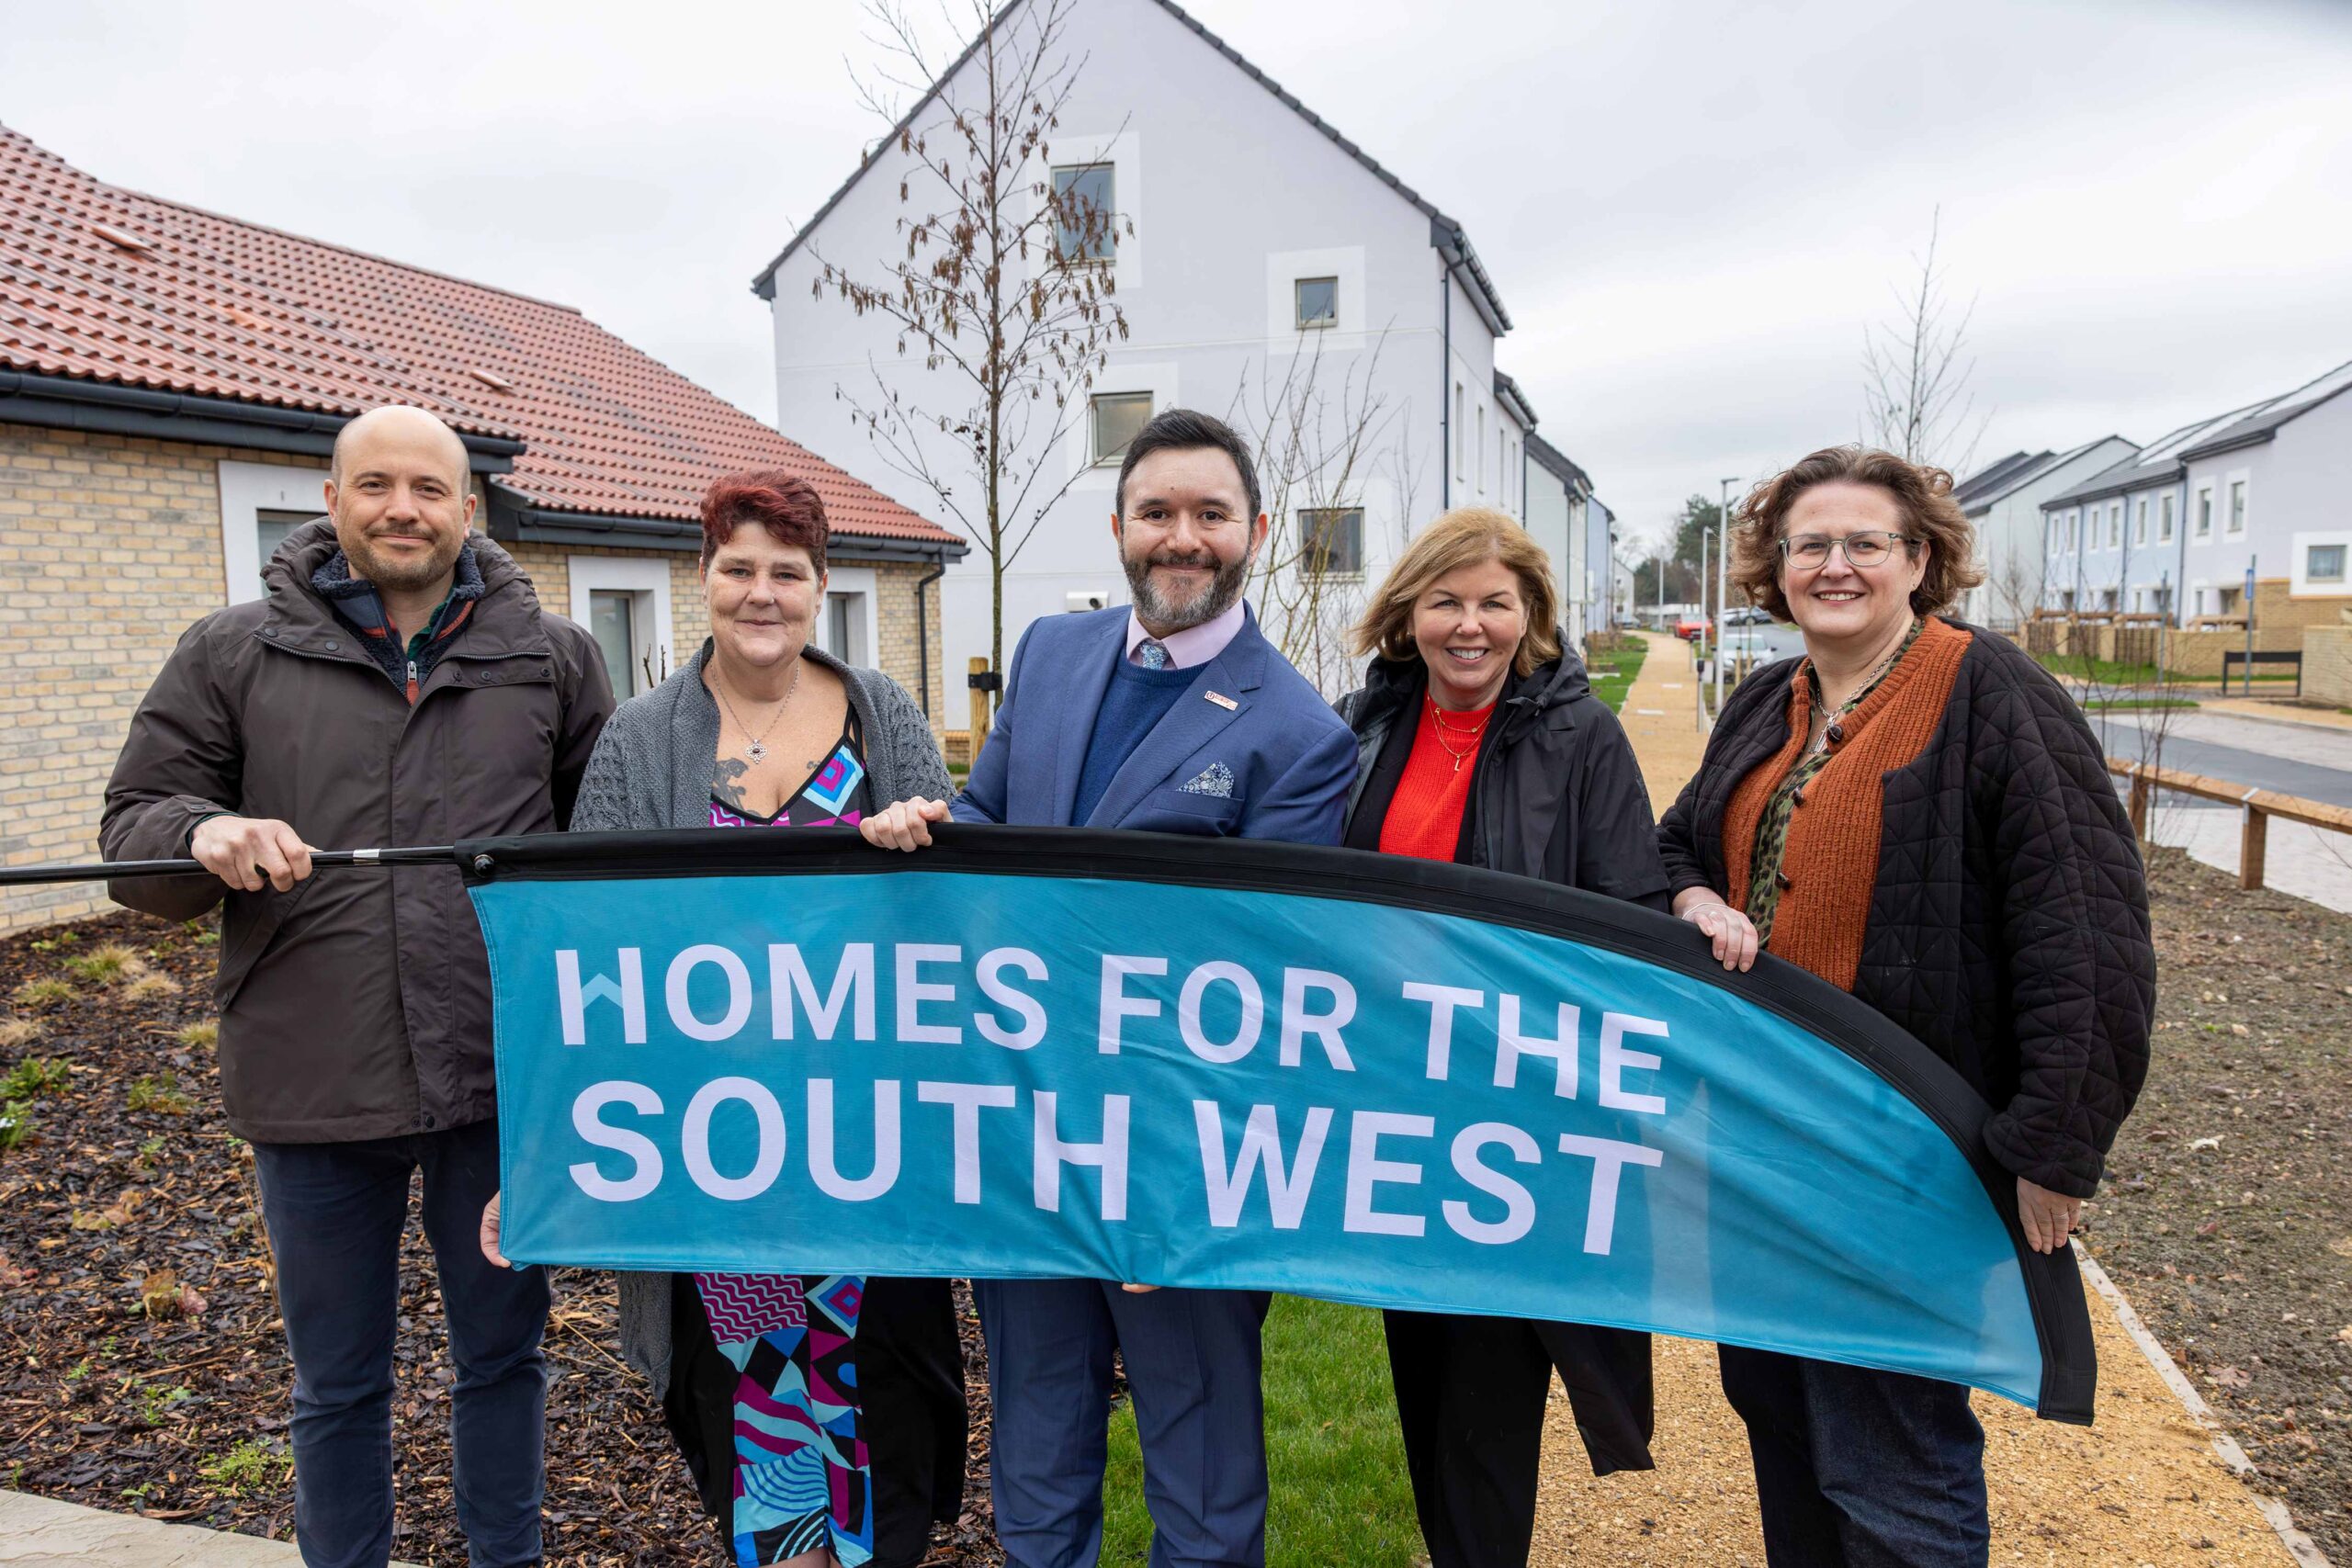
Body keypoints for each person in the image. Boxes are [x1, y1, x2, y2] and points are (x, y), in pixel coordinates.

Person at [99, 405, 615, 1568]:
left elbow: (615, 848)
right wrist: (202, 830)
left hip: (498, 1080)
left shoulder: (553, 656)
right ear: (329, 502)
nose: (402, 509)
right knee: (337, 1381)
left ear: (467, 510)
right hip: (313, 1081)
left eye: (429, 489)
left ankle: (506, 1557)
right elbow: (133, 823)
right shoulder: (233, 652)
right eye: (374, 484)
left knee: (504, 1356)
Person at [859, 407, 1357, 1568]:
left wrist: (1170, 1196)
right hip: (1023, 1131)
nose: (1182, 537)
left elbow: (1264, 979)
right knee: (1035, 1438)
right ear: (1120, 525)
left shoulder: (1300, 734)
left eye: (1209, 515)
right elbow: (993, 818)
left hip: (1174, 1159)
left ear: (1255, 531)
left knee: (1198, 1466)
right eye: (1157, 512)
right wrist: (931, 826)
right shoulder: (1050, 651)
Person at [1656, 446, 2154, 1567]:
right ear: (1774, 569)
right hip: (1754, 1144)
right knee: (1778, 1412)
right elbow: (1676, 844)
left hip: (1899, 1154)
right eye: (1809, 545)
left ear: (1918, 559)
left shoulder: (1990, 692)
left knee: (1890, 1454)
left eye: (1864, 543)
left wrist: (2056, 1148)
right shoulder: (1762, 700)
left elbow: (2089, 932)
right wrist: (1693, 893)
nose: (1835, 565)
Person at [481, 470, 967, 1568]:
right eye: (737, 568)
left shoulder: (882, 714)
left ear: (820, 585)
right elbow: (588, 959)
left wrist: (922, 838)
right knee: (760, 1413)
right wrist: (549, 1156)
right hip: (718, 1151)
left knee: (876, 1392)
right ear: (702, 578)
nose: (762, 593)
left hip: (864, 1146)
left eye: (785, 572)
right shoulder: (644, 738)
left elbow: (957, 919)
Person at [1333, 506, 1662, 1568]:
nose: (1468, 626)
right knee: (1420, 1376)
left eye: (1493, 604)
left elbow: (1628, 916)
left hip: (1511, 1126)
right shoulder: (1365, 727)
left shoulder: (1580, 736)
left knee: (1485, 1395)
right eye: (1445, 601)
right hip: (1391, 1112)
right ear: (1405, 614)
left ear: (1530, 617)